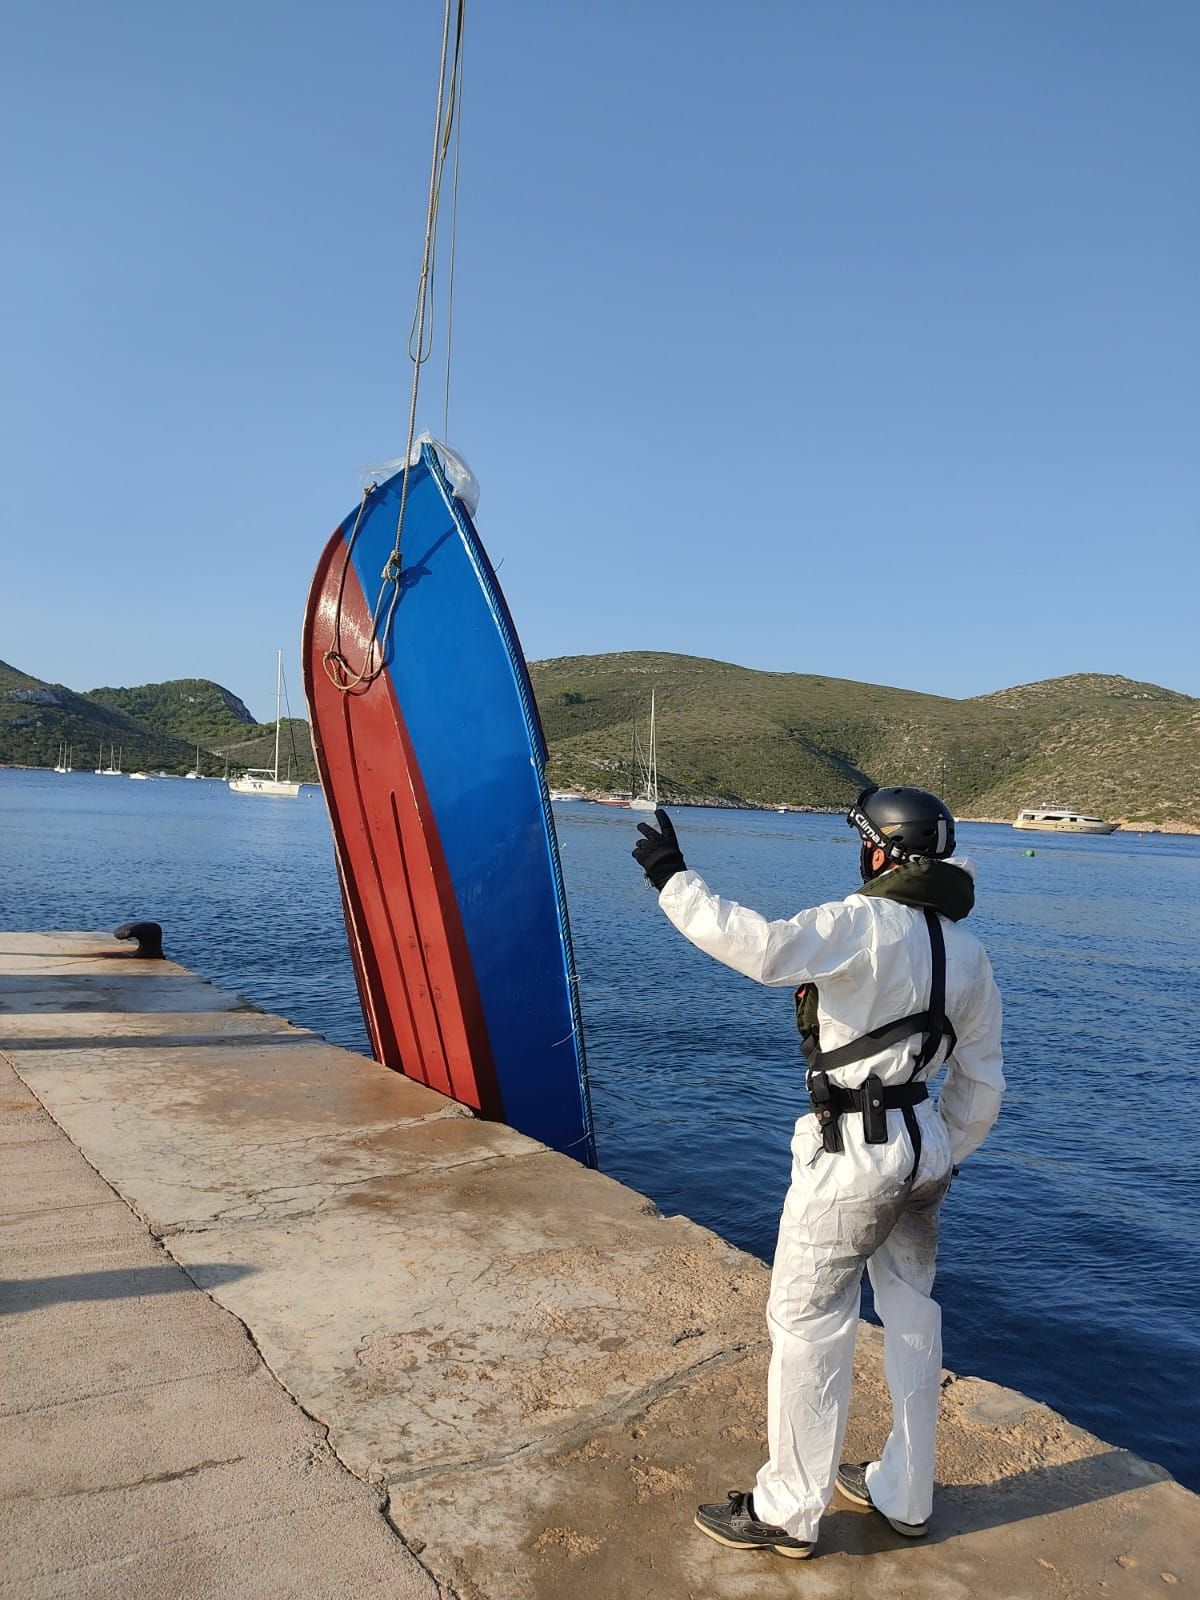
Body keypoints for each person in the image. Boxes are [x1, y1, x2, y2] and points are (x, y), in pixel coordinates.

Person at [632, 788, 1004, 1561]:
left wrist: (674, 878)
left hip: (854, 1154)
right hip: (923, 1146)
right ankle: (905, 1493)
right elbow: (983, 1083)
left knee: (807, 1322)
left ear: (882, 852)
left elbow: (763, 949)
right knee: (910, 1313)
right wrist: (943, 1148)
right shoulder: (968, 953)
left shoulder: (860, 922)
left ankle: (789, 1511)